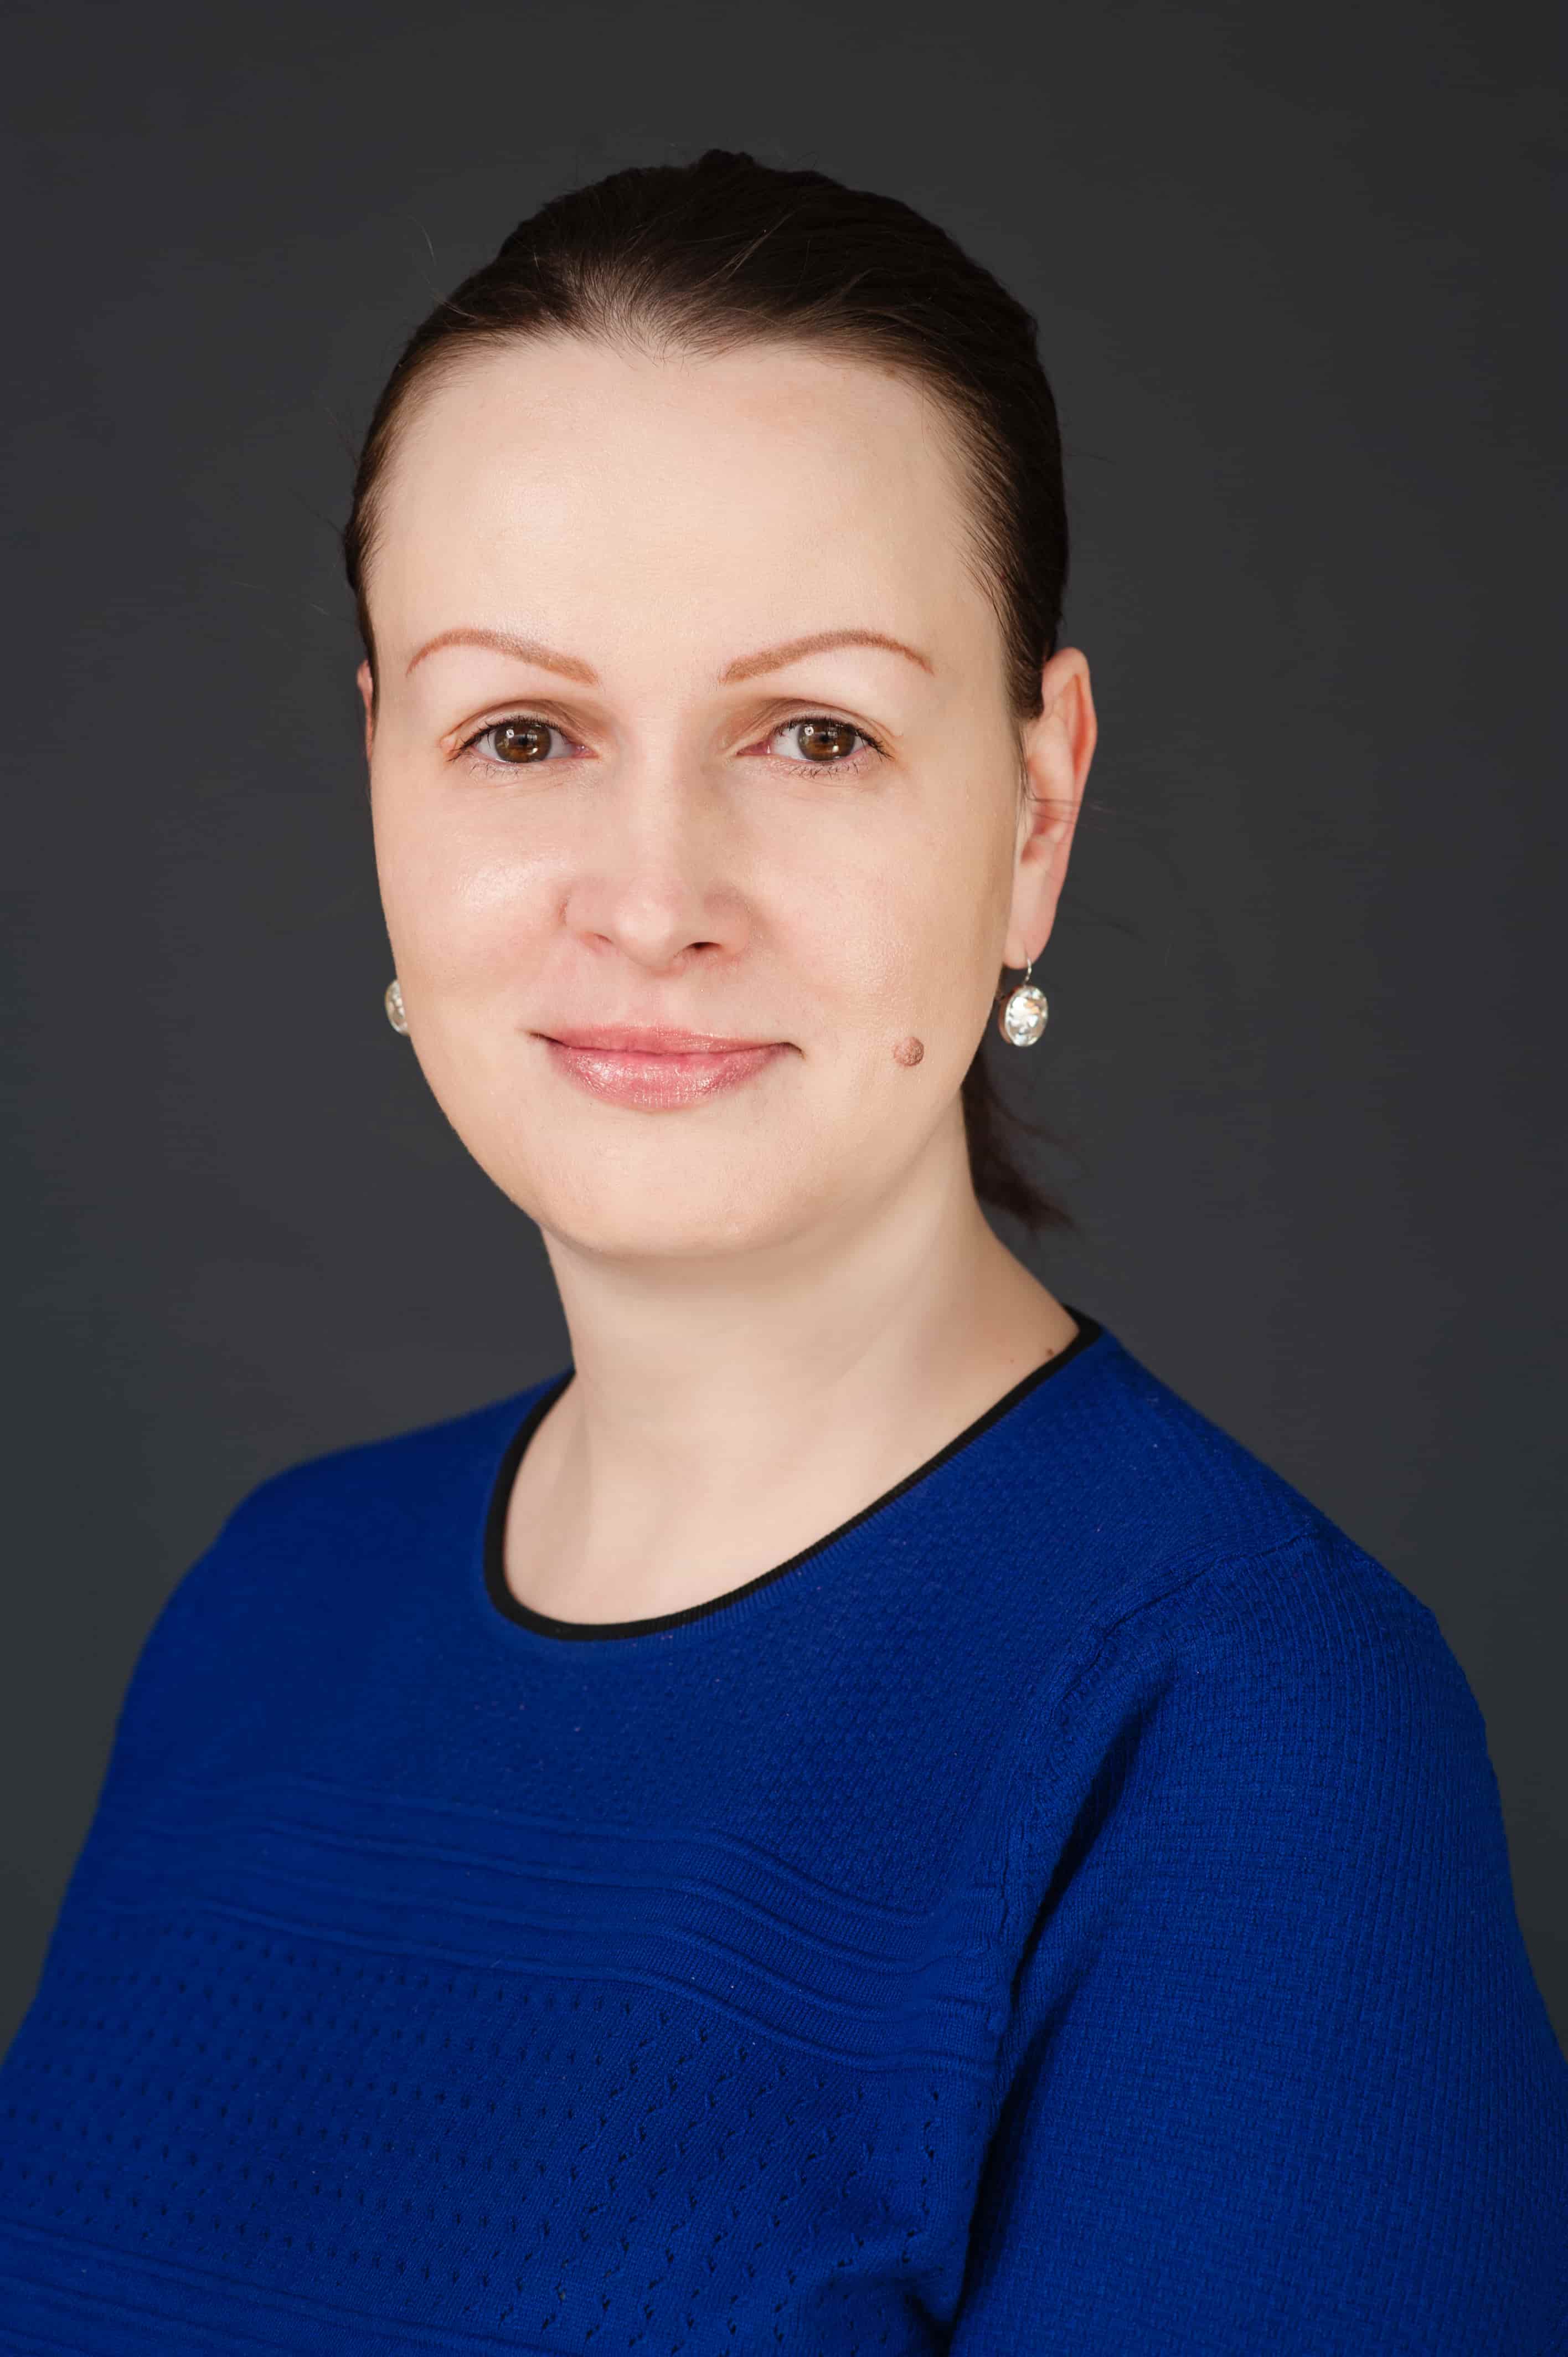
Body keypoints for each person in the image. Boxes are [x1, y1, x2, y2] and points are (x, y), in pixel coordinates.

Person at [0, 147, 1562, 2356]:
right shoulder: (268, 1607)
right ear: (379, 776)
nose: (655, 896)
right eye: (521, 732)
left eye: (816, 734)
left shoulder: (1250, 1733)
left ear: (1036, 810)